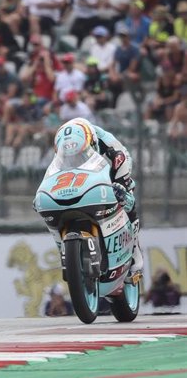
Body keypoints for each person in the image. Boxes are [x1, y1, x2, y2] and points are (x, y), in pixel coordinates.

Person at [53, 118, 144, 276]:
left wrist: (118, 185)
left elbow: (120, 159)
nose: (75, 159)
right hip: (84, 170)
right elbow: (54, 171)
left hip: (117, 162)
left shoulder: (104, 141)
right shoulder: (63, 144)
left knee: (123, 193)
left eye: (78, 155)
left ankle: (135, 248)